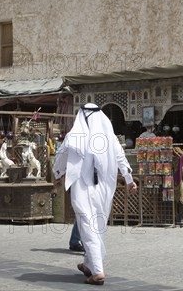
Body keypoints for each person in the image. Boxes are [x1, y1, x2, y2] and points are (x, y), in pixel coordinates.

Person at [52, 103, 137, 285]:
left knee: (88, 225)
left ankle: (97, 271)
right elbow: (121, 157)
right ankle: (88, 264)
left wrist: (57, 176)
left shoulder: (75, 135)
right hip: (104, 188)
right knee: (97, 224)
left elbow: (62, 156)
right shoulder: (109, 138)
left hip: (83, 187)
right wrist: (129, 179)